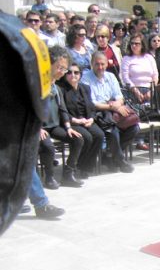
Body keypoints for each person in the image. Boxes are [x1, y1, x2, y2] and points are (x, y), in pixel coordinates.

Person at [38, 46, 86, 188]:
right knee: (48, 147)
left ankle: (68, 174)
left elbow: (62, 109)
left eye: (64, 69)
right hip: (39, 127)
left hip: (53, 126)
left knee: (78, 139)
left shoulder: (56, 88)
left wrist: (68, 127)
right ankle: (49, 177)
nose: (62, 72)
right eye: (60, 67)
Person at [83, 52, 138, 173]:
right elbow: (92, 103)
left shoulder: (111, 76)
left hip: (113, 110)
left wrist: (116, 106)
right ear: (92, 64)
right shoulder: (86, 78)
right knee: (112, 131)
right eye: (97, 64)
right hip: (97, 112)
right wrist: (112, 107)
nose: (100, 67)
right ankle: (119, 160)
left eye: (102, 64)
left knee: (134, 128)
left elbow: (119, 97)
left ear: (107, 64)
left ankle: (108, 155)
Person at [57, 63, 105, 177]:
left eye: (76, 72)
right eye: (69, 72)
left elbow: (92, 107)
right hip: (71, 122)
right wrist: (76, 121)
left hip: (86, 120)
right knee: (86, 137)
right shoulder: (61, 89)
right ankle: (77, 164)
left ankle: (85, 166)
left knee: (99, 135)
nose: (72, 75)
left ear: (80, 75)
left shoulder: (85, 88)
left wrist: (91, 119)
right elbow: (60, 111)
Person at [121, 33, 158, 150]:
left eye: (137, 43)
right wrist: (135, 90)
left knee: (147, 112)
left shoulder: (149, 57)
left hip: (148, 90)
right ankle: (138, 140)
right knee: (137, 113)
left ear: (142, 45)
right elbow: (125, 77)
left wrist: (152, 89)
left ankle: (143, 139)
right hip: (132, 90)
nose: (134, 46)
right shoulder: (127, 59)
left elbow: (155, 74)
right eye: (132, 43)